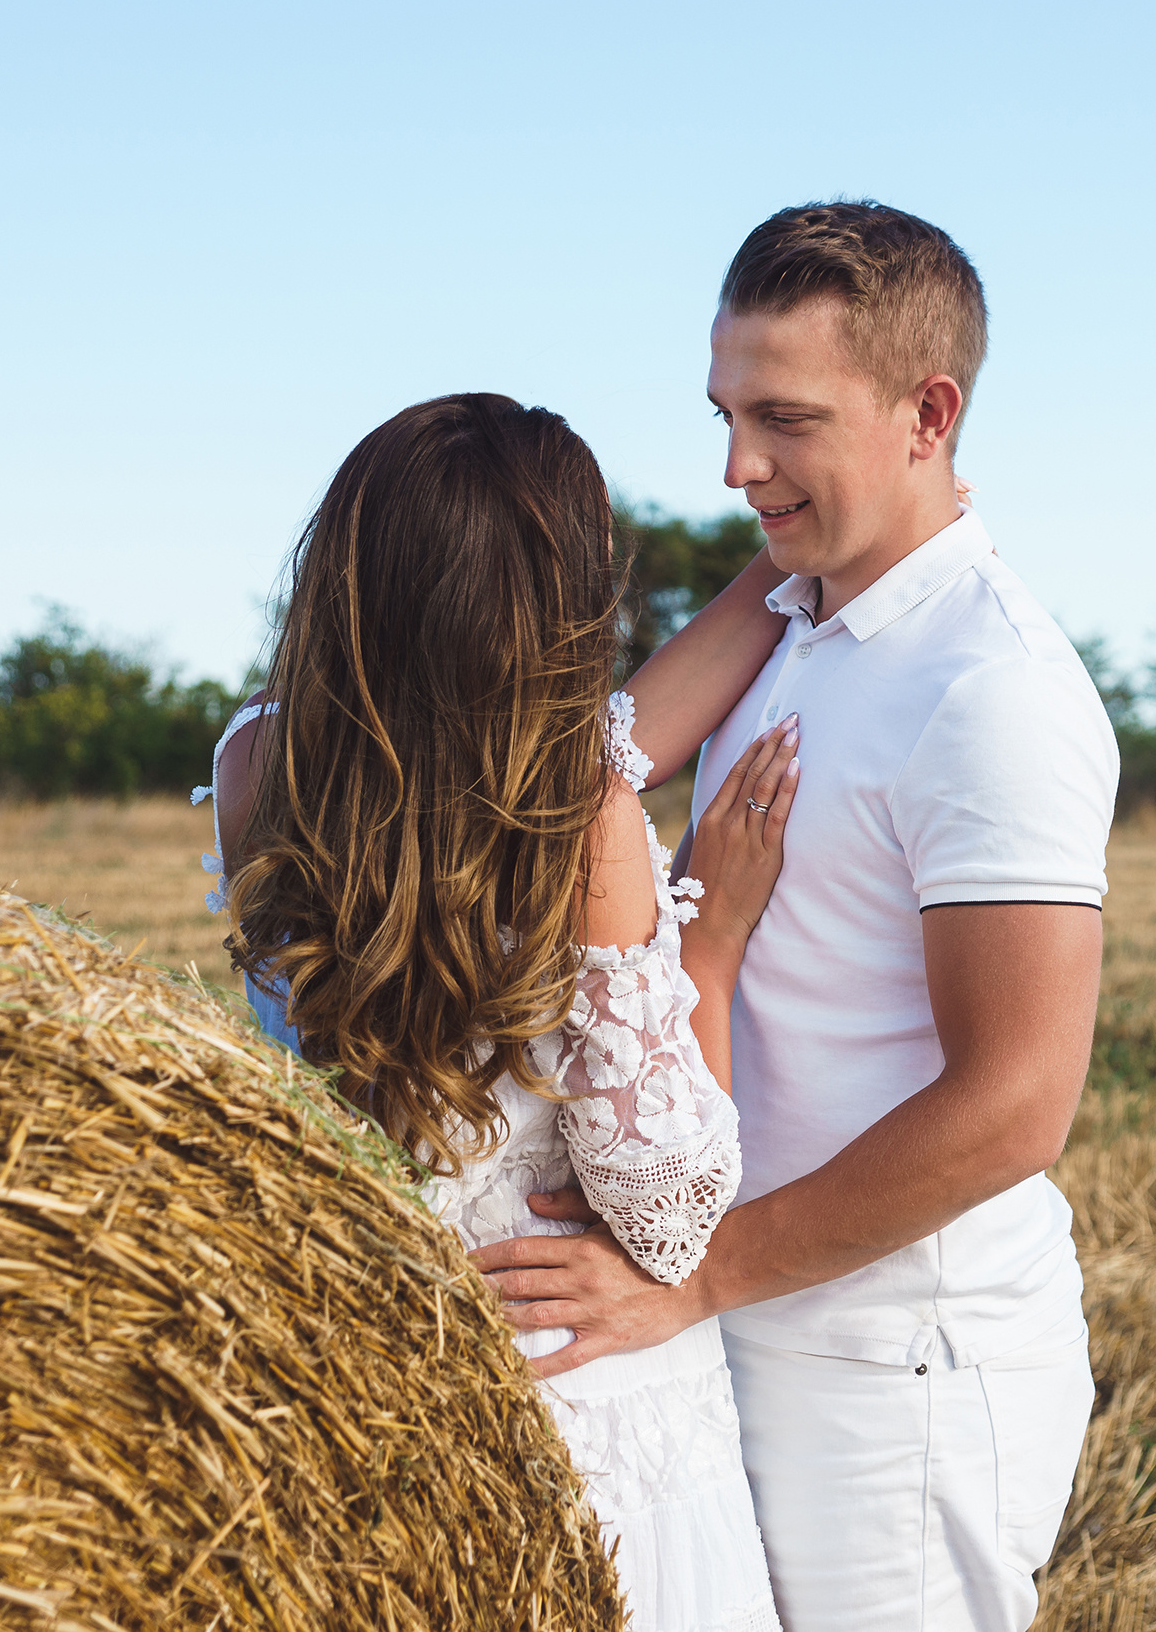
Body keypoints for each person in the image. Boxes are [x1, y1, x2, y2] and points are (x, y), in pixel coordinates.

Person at [471, 203, 1119, 1631]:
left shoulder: (991, 689)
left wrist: (701, 1278)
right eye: (724, 412)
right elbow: (586, 766)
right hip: (757, 1316)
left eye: (785, 420)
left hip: (898, 1365)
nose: (735, 467)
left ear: (926, 412)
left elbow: (1017, 1102)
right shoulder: (800, 615)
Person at [193, 392, 798, 1632]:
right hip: (582, 1419)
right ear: (555, 609)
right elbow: (670, 1208)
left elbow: (561, 746)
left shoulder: (255, 763)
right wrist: (715, 943)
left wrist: (774, 567)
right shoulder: (582, 813)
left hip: (376, 1402)